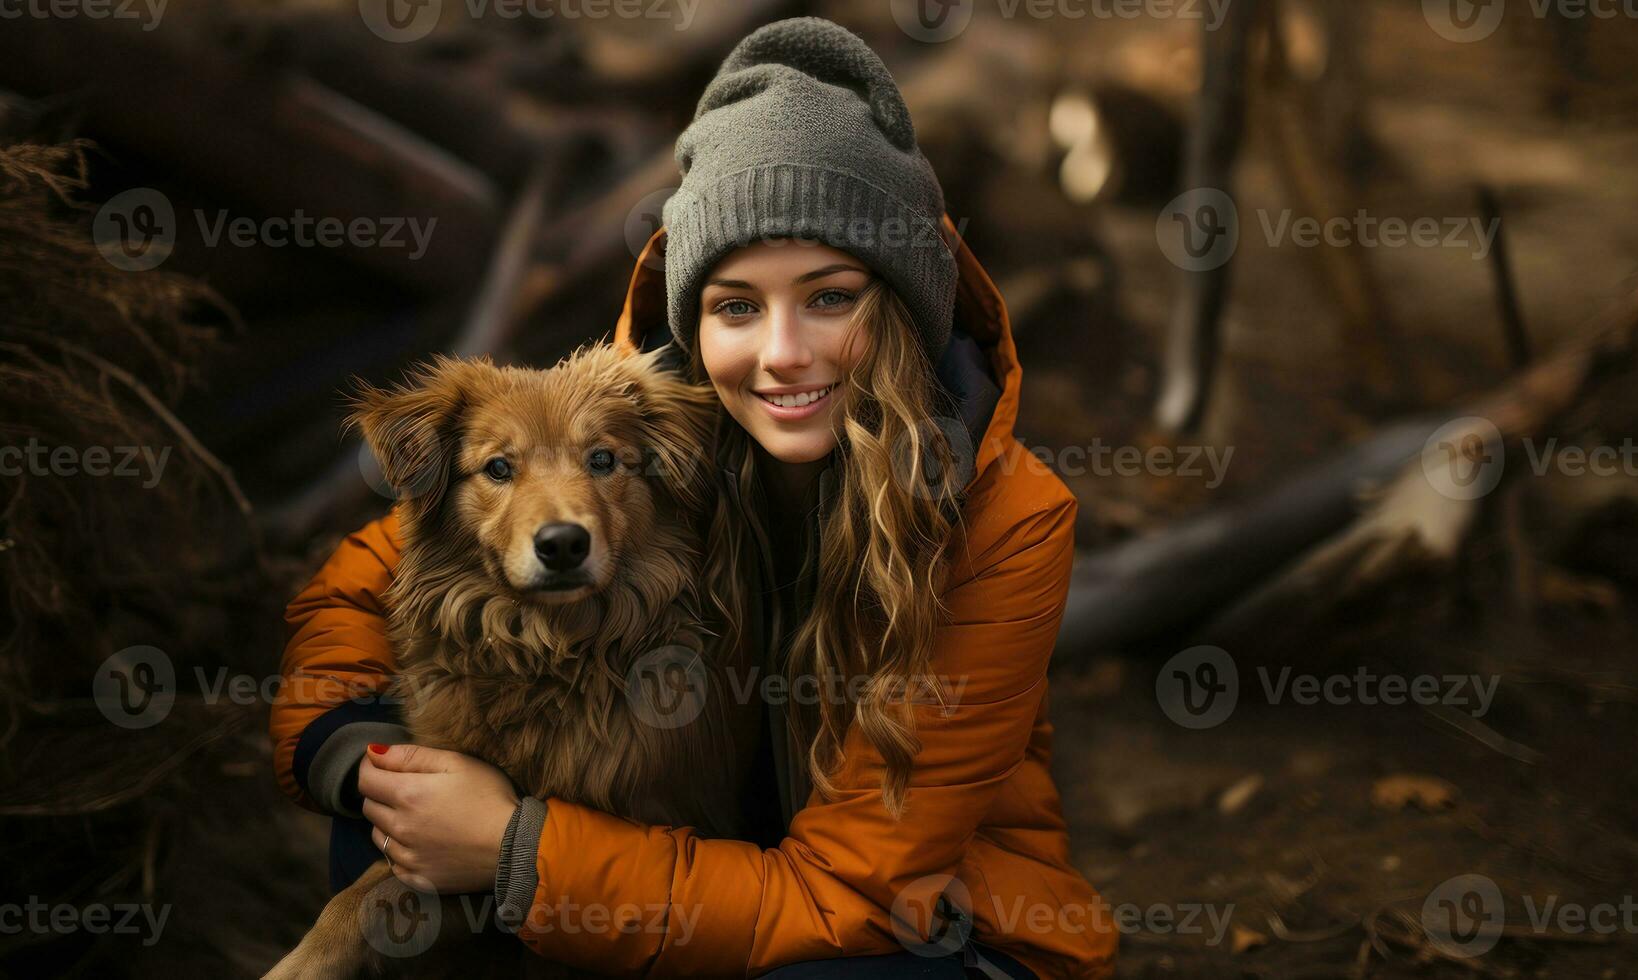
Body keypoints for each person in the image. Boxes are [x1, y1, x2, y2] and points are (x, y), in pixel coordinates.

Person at [269, 17, 1117, 978]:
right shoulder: (661, 431)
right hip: (705, 864)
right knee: (388, 848)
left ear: (900, 305)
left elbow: (845, 888)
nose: (782, 353)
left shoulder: (1005, 520)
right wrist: (371, 764)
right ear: (696, 321)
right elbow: (354, 588)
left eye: (830, 297)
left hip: (912, 923)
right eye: (737, 306)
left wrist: (516, 847)